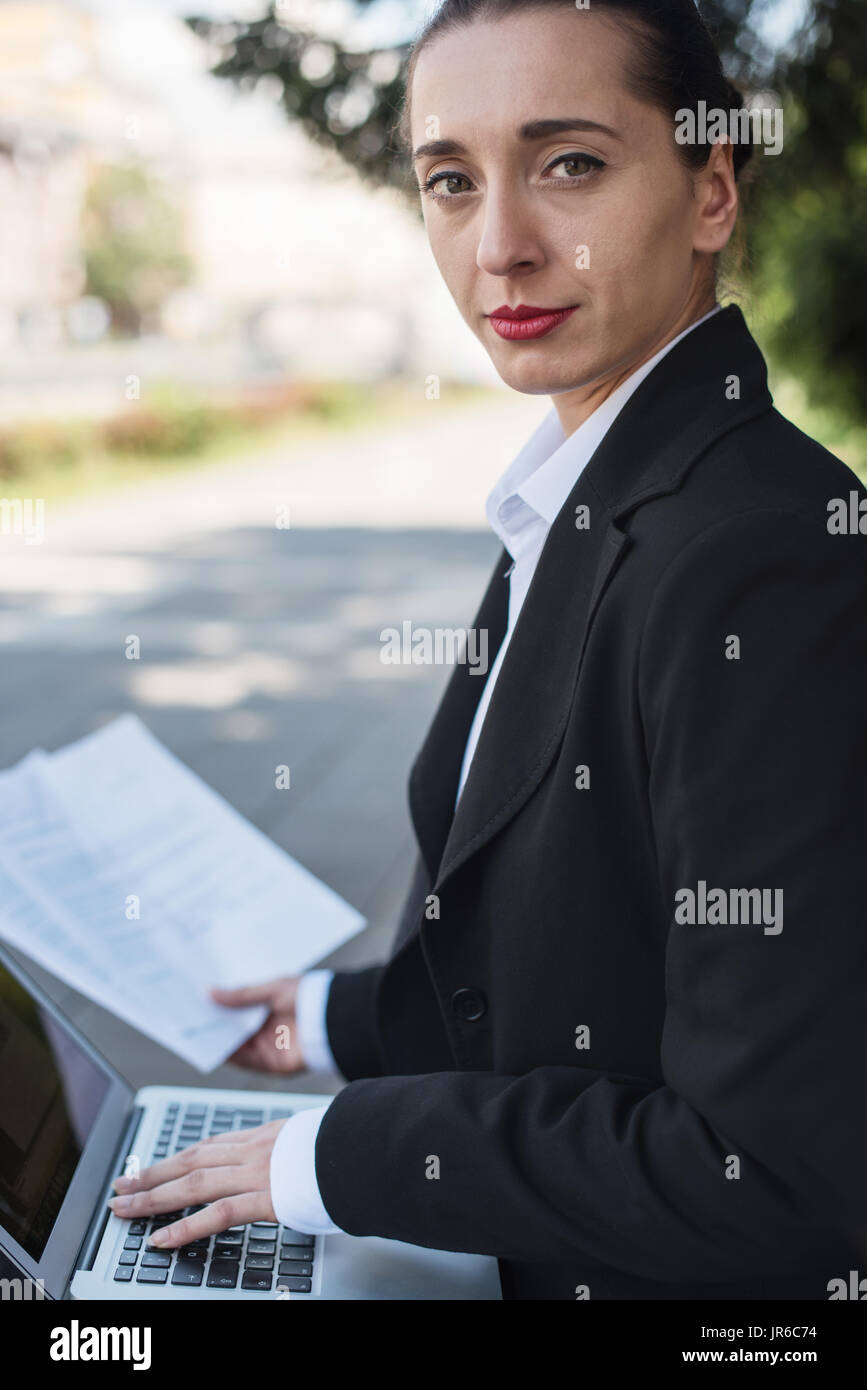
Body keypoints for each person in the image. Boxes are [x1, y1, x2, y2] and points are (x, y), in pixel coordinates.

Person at [108, 0, 867, 1300]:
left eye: (569, 162)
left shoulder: (758, 559)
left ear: (710, 192)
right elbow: (590, 952)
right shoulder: (595, 488)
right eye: (450, 182)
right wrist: (341, 1020)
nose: (501, 246)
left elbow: (775, 1174)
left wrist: (347, 1155)